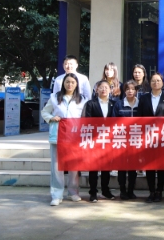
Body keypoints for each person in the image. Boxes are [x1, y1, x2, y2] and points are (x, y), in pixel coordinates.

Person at [41, 73, 86, 206]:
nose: (70, 84)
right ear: (63, 83)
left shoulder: (82, 99)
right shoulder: (54, 97)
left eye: (72, 82)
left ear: (76, 84)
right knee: (56, 166)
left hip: (74, 136)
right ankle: (56, 194)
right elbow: (45, 112)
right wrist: (51, 118)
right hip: (57, 135)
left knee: (74, 165)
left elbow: (85, 117)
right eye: (67, 82)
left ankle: (73, 192)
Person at [137, 72, 164, 203]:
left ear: (162, 83)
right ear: (150, 83)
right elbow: (139, 116)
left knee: (161, 165)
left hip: (162, 136)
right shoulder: (144, 98)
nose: (156, 83)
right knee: (149, 165)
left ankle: (159, 191)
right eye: (153, 81)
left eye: (158, 80)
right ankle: (151, 191)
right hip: (148, 136)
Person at [82, 80, 117, 202]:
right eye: (101, 87)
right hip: (95, 139)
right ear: (96, 90)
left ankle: (105, 190)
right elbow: (87, 121)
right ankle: (93, 192)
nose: (104, 89)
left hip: (109, 140)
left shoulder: (114, 104)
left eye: (106, 87)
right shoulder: (90, 104)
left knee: (106, 167)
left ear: (110, 90)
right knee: (94, 167)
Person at [112, 79, 140, 200]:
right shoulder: (119, 104)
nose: (130, 91)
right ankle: (122, 190)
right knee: (122, 167)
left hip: (136, 139)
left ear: (136, 91)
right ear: (124, 91)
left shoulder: (140, 103)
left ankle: (131, 190)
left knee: (133, 167)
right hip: (122, 139)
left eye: (133, 89)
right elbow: (113, 121)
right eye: (128, 89)